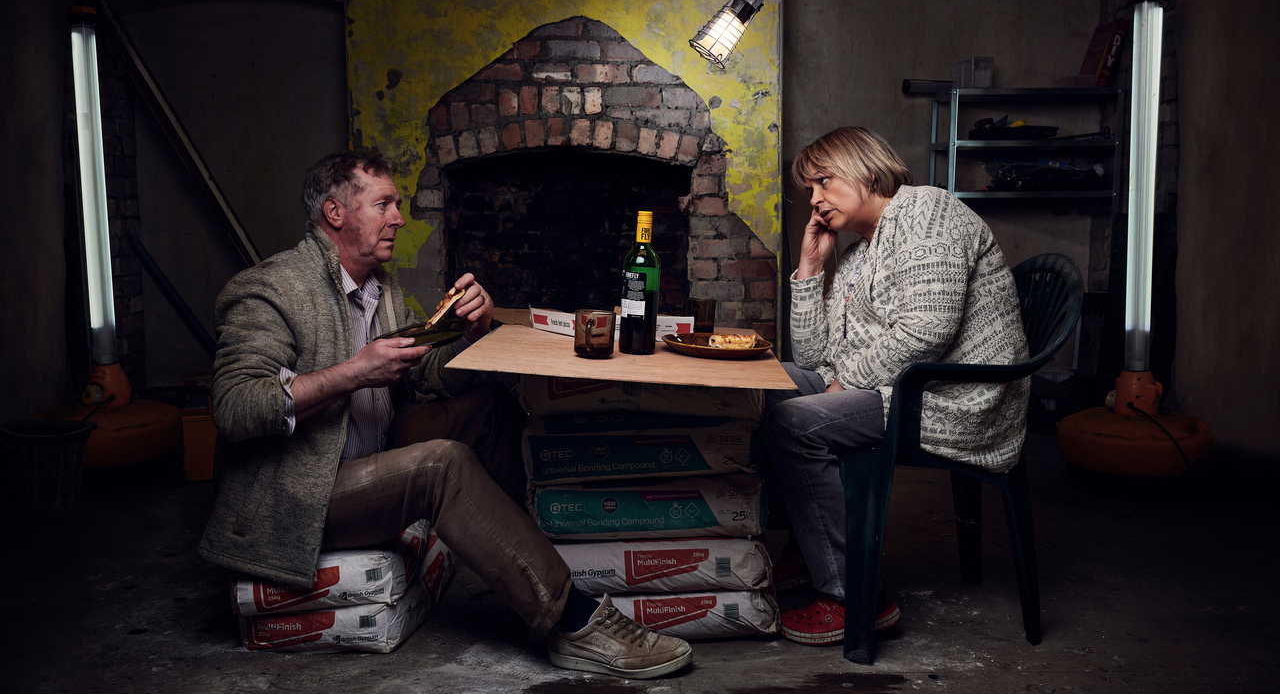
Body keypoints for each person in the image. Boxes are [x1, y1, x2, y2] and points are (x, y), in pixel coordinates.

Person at [197, 149, 691, 679]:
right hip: (302, 492)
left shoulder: (378, 289)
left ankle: (547, 571)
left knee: (489, 409)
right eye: (384, 203)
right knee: (441, 464)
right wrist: (355, 372)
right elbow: (235, 406)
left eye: (399, 204)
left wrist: (472, 331)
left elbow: (429, 376)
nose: (399, 218)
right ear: (336, 213)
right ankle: (571, 622)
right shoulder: (269, 288)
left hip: (371, 450)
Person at [766, 127, 1030, 646]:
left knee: (794, 423)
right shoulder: (862, 251)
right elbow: (814, 358)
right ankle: (808, 544)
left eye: (823, 181)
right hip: (895, 387)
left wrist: (842, 383)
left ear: (865, 170)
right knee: (769, 385)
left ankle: (853, 595)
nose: (814, 199)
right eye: (809, 189)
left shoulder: (928, 213)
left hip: (949, 399)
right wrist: (811, 267)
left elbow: (928, 330)